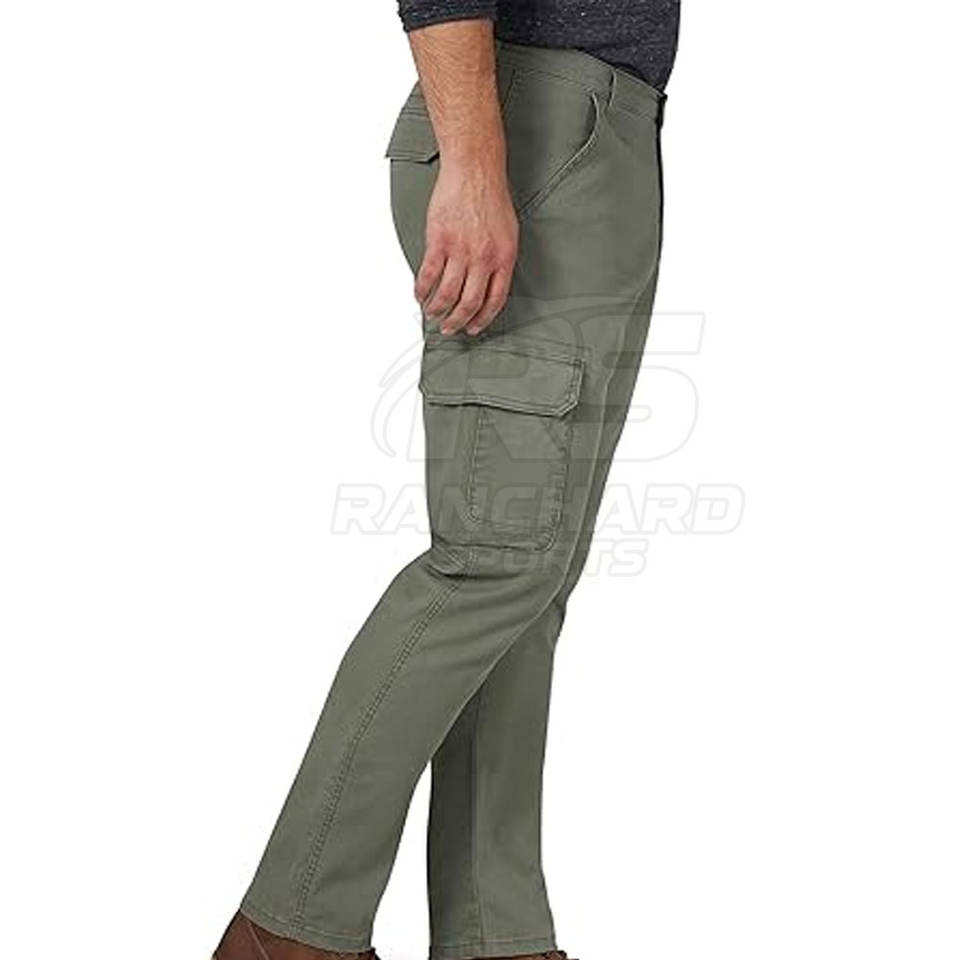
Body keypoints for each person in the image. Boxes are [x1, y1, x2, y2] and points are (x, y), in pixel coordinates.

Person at [214, 2, 680, 959]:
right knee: (494, 563)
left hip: (599, 128)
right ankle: (291, 928)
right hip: (529, 125)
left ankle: (491, 932)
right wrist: (473, 163)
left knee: (531, 577)